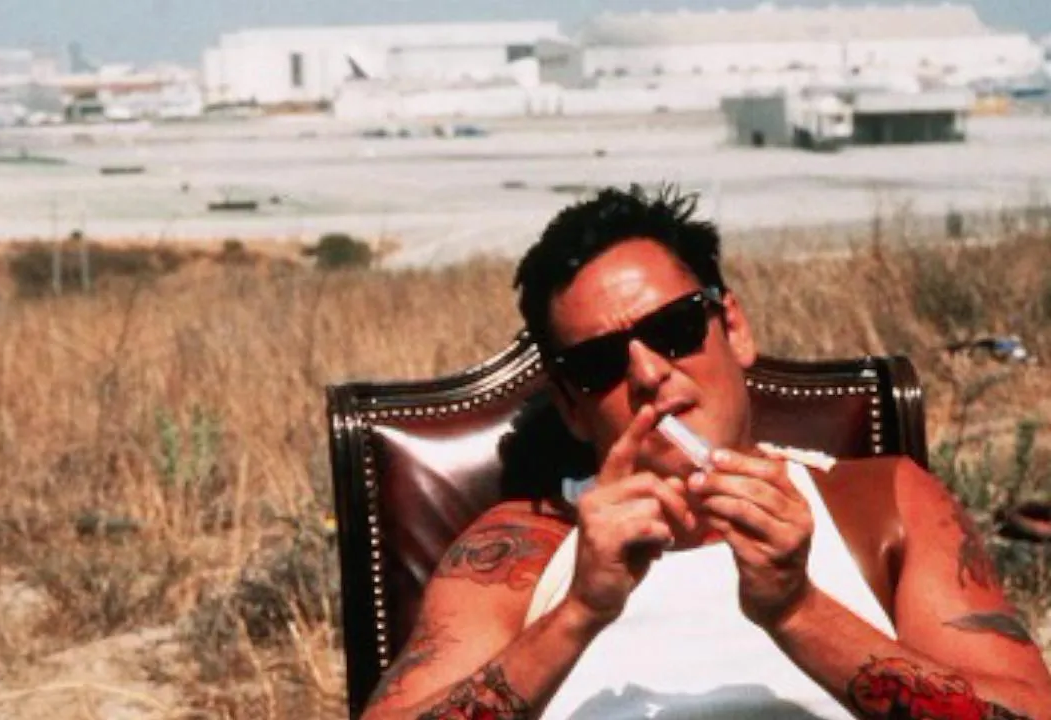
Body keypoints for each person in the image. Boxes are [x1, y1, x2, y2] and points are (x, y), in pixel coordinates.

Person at [359, 185, 1051, 720]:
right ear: (570, 404)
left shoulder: (877, 504)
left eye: (675, 328)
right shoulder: (520, 551)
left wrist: (799, 611)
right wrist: (578, 612)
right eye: (601, 364)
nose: (649, 374)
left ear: (734, 328)